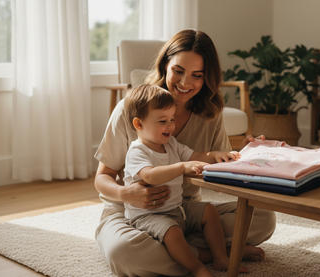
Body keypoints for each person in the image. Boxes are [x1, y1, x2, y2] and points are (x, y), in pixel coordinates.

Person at [94, 29, 276, 277]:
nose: (185, 83)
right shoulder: (131, 109)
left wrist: (247, 154)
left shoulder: (209, 115)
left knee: (264, 218)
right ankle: (210, 254)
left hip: (184, 209)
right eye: (178, 71)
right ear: (165, 65)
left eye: (197, 75)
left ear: (207, 78)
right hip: (131, 213)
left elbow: (217, 164)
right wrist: (126, 193)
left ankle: (179, 250)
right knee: (125, 253)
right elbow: (102, 178)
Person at [123, 84, 247, 276]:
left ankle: (221, 258)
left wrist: (217, 155)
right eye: (163, 121)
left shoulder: (171, 143)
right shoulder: (138, 151)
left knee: (209, 210)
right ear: (139, 124)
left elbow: (195, 154)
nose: (170, 126)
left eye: (172, 119)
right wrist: (182, 167)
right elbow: (150, 175)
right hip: (150, 215)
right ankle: (197, 267)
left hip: (178, 207)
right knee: (172, 233)